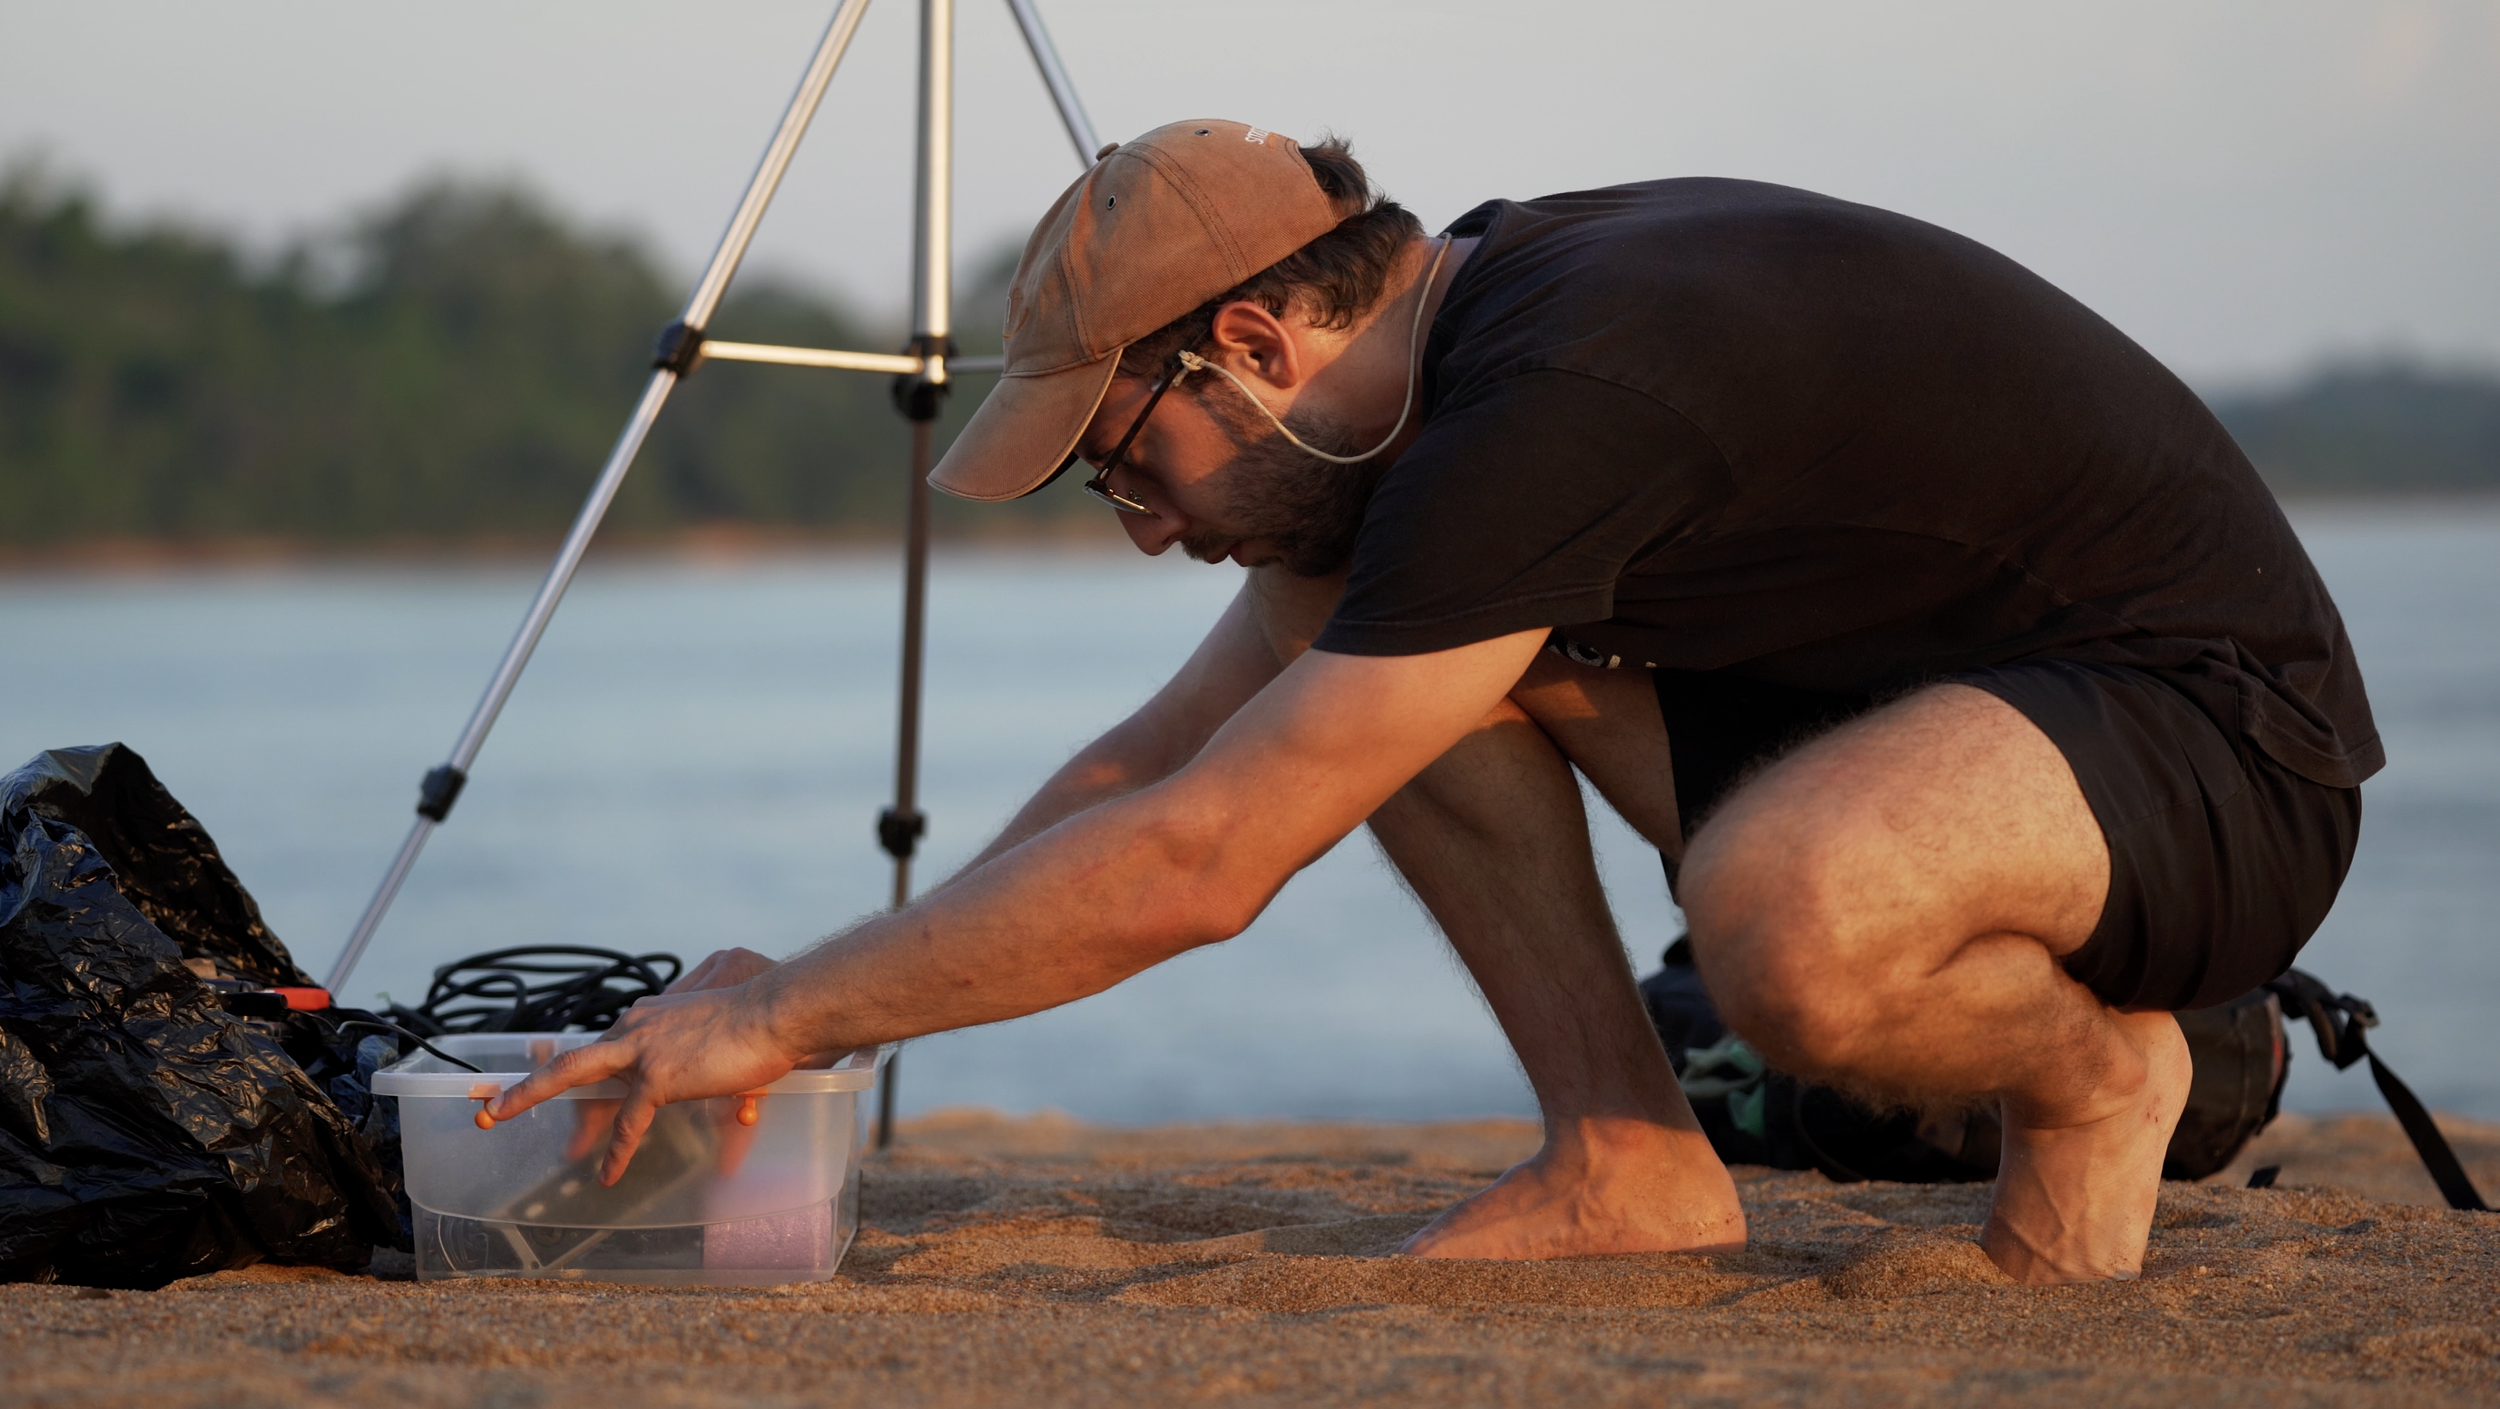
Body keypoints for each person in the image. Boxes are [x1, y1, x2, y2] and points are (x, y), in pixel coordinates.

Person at [491, 119, 2378, 1284]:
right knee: (1369, 655)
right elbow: (1158, 765)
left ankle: (2107, 1072)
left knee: (1789, 923)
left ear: (1252, 346)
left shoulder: (1558, 395)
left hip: (2219, 736)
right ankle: (1628, 1161)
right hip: (1975, 715)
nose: (1143, 529)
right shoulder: (1459, 359)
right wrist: (814, 1013)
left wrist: (796, 1020)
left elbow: (1204, 862)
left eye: (1125, 462)